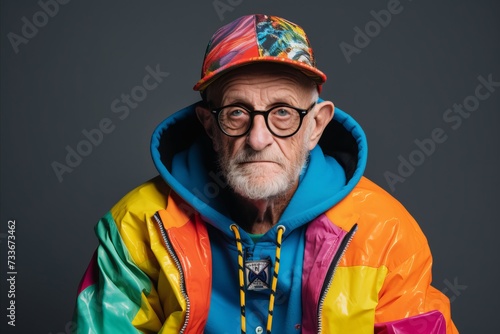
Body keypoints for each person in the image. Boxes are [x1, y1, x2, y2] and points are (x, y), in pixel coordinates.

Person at [73, 14, 458, 333]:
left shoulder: (384, 232)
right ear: (209, 125)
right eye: (237, 112)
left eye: (283, 113)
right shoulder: (139, 225)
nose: (258, 139)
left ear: (316, 126)